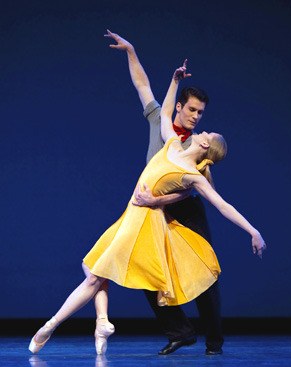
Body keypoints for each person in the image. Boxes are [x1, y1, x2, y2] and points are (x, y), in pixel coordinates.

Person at [29, 61, 266, 357]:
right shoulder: (173, 145)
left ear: (207, 145)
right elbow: (165, 111)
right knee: (95, 269)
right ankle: (103, 322)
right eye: (193, 112)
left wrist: (253, 230)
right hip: (134, 215)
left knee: (100, 272)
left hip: (147, 218)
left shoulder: (194, 175)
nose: (201, 123)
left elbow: (221, 204)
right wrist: (174, 80)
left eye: (207, 128)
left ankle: (51, 327)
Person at [104, 30, 266, 356]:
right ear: (180, 106)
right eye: (192, 111)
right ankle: (179, 331)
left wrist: (160, 200)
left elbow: (205, 196)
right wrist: (133, 51)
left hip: (183, 207)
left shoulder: (197, 153)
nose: (196, 117)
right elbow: (143, 86)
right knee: (148, 270)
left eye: (201, 114)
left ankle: (214, 341)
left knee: (204, 271)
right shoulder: (164, 127)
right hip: (153, 208)